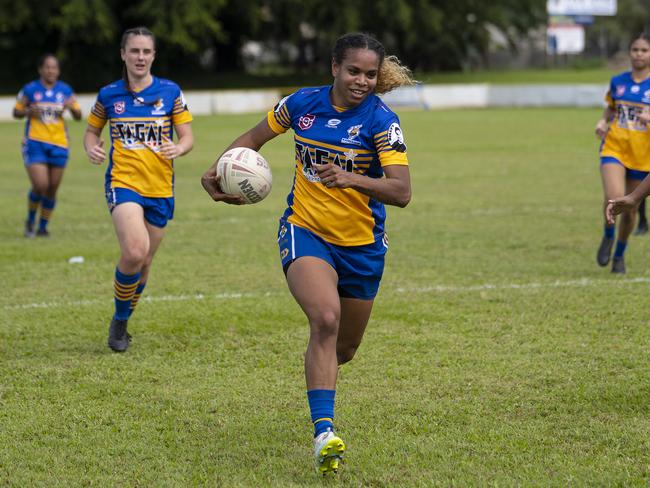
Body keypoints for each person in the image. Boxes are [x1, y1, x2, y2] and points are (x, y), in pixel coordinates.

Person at [201, 32, 413, 475]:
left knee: (345, 348)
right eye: (353, 71)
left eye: (370, 74)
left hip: (363, 246)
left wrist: (351, 178)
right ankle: (324, 434)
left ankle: (319, 378)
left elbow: (401, 191)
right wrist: (220, 169)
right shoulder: (301, 104)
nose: (361, 81)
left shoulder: (381, 121)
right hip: (305, 230)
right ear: (334, 68)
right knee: (325, 319)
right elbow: (254, 138)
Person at [84, 27, 194, 352]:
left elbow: (187, 136)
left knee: (145, 261)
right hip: (124, 181)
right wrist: (92, 148)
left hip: (160, 186)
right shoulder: (108, 95)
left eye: (146, 51)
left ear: (154, 56)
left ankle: (123, 319)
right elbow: (91, 132)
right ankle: (118, 322)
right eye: (134, 51)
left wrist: (180, 148)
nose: (140, 57)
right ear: (123, 54)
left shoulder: (171, 91)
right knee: (134, 250)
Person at [595, 33, 650, 273]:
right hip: (615, 146)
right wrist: (602, 121)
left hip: (643, 153)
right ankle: (608, 234)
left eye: (644, 50)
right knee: (613, 197)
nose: (639, 54)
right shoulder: (618, 81)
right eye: (635, 49)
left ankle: (619, 254)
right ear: (629, 52)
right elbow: (611, 107)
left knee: (629, 211)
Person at [14, 54, 82, 237]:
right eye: (47, 67)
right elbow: (16, 112)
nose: (51, 71)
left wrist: (72, 107)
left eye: (54, 68)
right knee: (40, 185)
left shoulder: (65, 90)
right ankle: (30, 220)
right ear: (40, 69)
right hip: (35, 142)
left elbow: (78, 116)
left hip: (59, 144)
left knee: (52, 188)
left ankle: (42, 227)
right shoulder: (30, 89)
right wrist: (29, 111)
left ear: (58, 71)